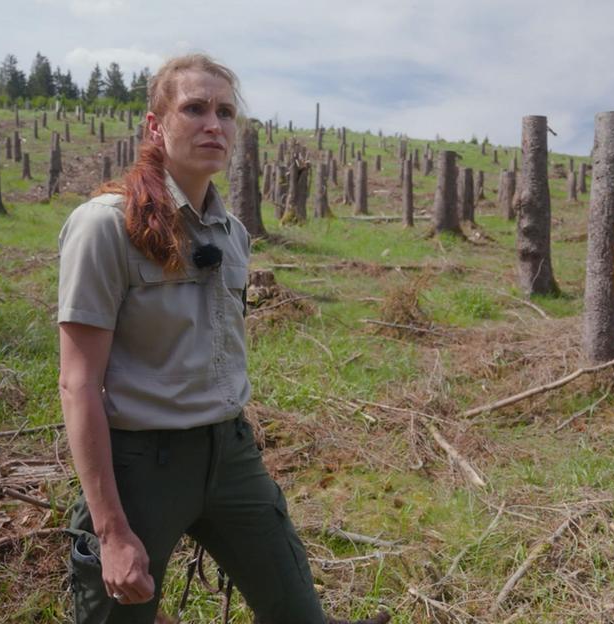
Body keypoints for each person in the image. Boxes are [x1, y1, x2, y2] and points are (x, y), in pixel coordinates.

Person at [57, 54, 390, 624]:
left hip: (230, 455)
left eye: (226, 112)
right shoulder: (105, 226)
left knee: (297, 613)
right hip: (142, 462)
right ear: (154, 127)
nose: (215, 124)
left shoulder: (232, 234)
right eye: (195, 108)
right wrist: (111, 531)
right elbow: (78, 381)